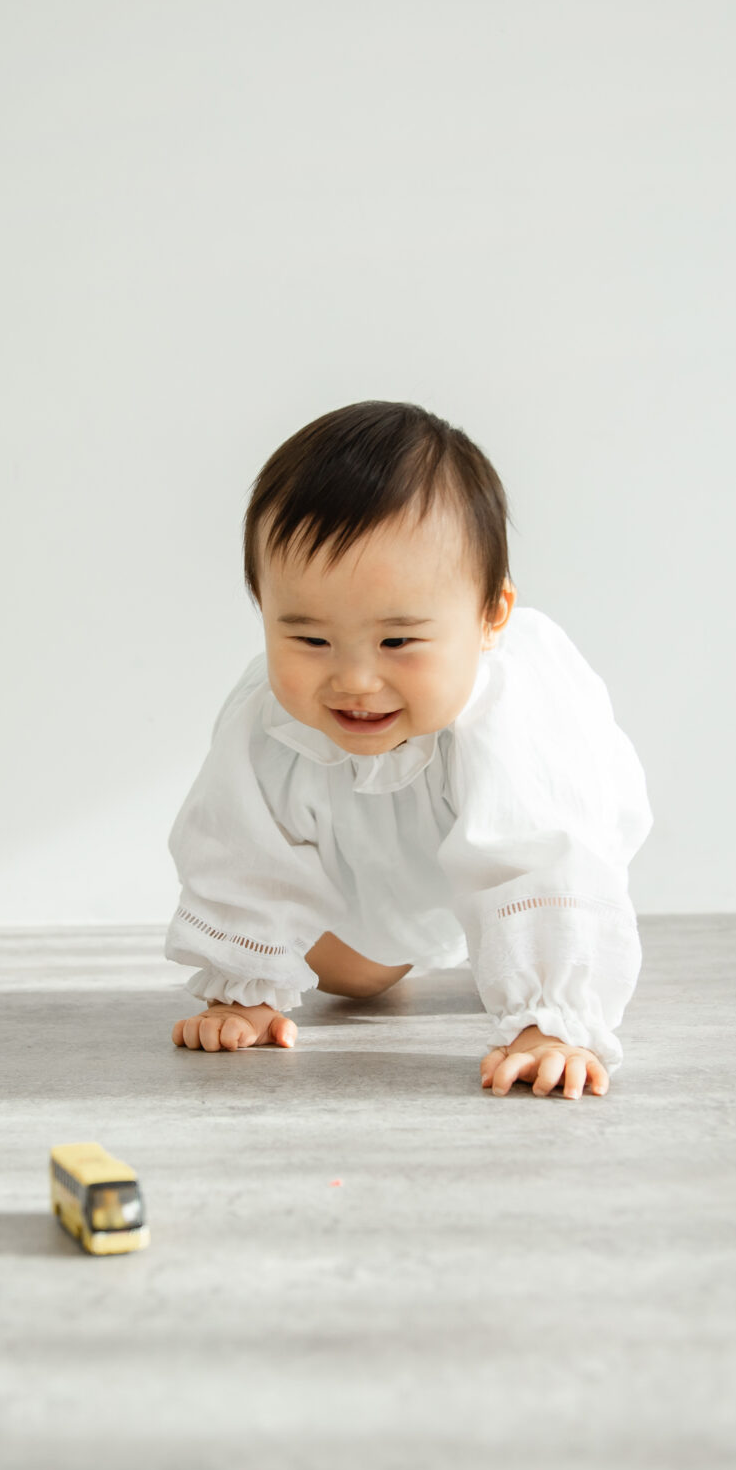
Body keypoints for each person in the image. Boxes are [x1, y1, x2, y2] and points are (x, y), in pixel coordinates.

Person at [165, 401, 651, 1098]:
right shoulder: (269, 722)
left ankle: (536, 981)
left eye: (397, 641)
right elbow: (239, 843)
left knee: (527, 887)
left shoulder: (517, 721)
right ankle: (385, 956)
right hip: (375, 873)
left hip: (526, 851)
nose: (354, 680)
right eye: (309, 638)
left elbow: (541, 856)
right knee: (352, 974)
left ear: (491, 616)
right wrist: (245, 985)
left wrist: (552, 1021)